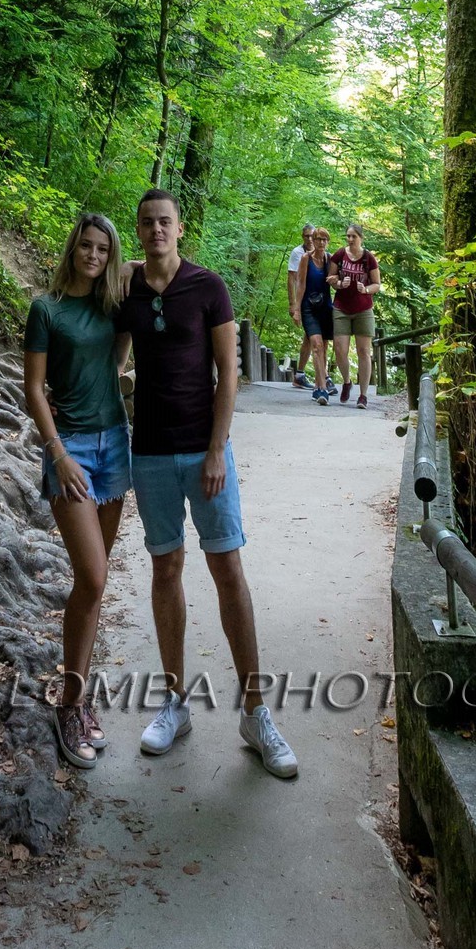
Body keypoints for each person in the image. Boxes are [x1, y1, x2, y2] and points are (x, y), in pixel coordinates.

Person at [113, 188, 299, 779]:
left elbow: (229, 375)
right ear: (138, 231)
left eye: (164, 222)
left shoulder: (209, 287)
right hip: (149, 454)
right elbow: (111, 358)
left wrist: (217, 449)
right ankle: (175, 703)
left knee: (228, 571)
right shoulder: (127, 290)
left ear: (180, 228)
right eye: (146, 223)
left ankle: (255, 712)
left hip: (205, 453)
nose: (155, 230)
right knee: (166, 570)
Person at [22, 211, 132, 770]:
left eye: (103, 249)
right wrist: (58, 453)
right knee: (91, 576)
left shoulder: (113, 305)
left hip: (116, 445)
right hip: (72, 454)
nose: (94, 255)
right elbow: (33, 389)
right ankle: (68, 707)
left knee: (94, 585)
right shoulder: (47, 309)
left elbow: (152, 270)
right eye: (86, 246)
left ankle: (79, 698)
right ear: (73, 249)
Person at [328, 224, 382, 408]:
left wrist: (365, 289)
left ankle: (363, 395)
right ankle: (346, 381)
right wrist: (339, 284)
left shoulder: (369, 258)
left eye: (353, 236)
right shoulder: (339, 255)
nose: (350, 240)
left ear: (361, 238)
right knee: (340, 350)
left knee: (364, 351)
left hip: (363, 309)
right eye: (348, 236)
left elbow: (377, 284)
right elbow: (331, 279)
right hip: (341, 307)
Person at [298, 226, 335, 404]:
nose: (321, 242)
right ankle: (321, 388)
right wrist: (296, 309)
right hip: (309, 308)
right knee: (316, 345)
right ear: (313, 240)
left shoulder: (330, 259)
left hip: (325, 308)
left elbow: (336, 282)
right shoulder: (306, 259)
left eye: (324, 239)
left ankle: (317, 387)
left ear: (328, 242)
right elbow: (301, 285)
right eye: (318, 239)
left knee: (324, 347)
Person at [285, 225, 315, 387]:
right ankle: (303, 375)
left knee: (312, 337)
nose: (309, 239)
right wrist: (293, 304)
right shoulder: (298, 253)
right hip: (304, 300)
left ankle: (301, 375)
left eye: (311, 236)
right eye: (306, 236)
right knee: (312, 335)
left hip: (317, 299)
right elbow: (291, 278)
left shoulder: (321, 251)